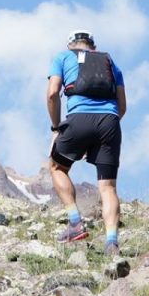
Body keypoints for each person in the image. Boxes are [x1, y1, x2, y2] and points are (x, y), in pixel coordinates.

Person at [47, 29, 126, 255]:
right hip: (110, 122)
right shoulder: (110, 62)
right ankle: (112, 242)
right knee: (108, 187)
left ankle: (75, 223)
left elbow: (53, 93)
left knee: (56, 167)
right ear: (93, 45)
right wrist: (102, 129)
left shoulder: (63, 57)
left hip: (78, 118)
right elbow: (122, 107)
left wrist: (56, 128)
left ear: (71, 44)